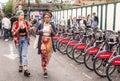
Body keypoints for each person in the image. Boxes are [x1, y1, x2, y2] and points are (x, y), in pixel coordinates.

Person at [36, 11, 56, 78]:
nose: (46, 18)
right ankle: (45, 70)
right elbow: (36, 32)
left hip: (49, 41)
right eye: (45, 17)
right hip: (42, 41)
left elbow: (54, 34)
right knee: (43, 55)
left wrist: (51, 31)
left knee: (48, 57)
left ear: (50, 18)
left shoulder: (52, 24)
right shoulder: (41, 24)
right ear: (43, 18)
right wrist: (39, 31)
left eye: (48, 17)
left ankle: (45, 65)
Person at [12, 10, 31, 77]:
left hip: (25, 39)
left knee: (24, 54)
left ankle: (25, 69)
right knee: (20, 54)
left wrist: (28, 29)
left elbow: (29, 30)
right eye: (21, 15)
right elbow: (13, 33)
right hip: (18, 40)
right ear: (18, 16)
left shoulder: (26, 22)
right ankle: (20, 65)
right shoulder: (15, 23)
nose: (23, 16)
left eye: (23, 15)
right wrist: (19, 27)